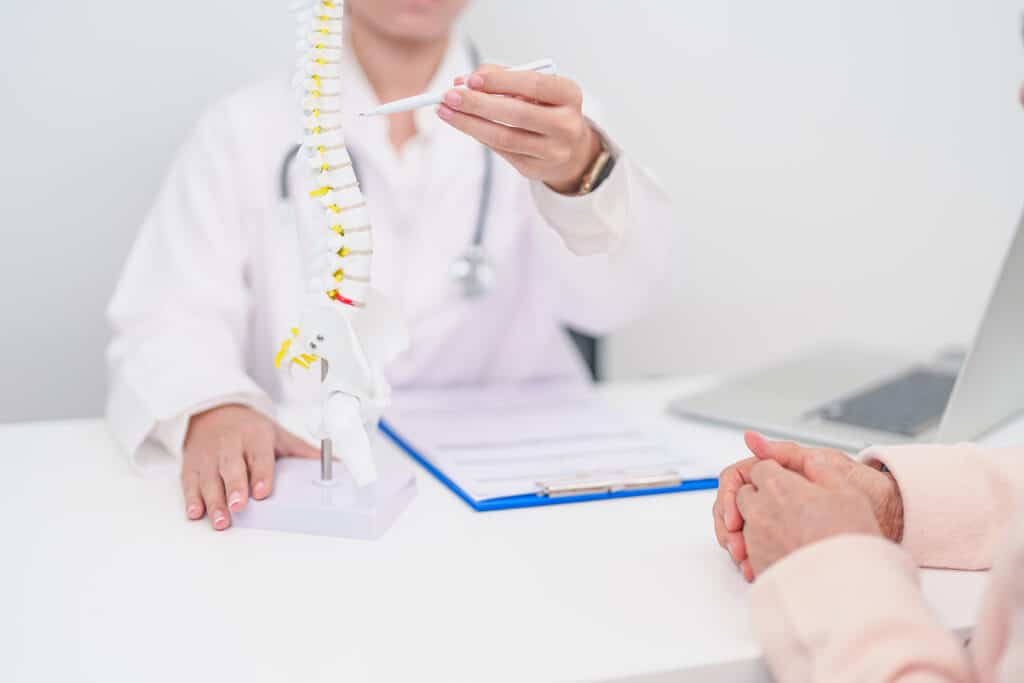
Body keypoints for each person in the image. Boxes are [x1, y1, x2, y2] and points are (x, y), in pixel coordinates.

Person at [106, 1, 675, 530]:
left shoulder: (555, 124)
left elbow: (617, 300)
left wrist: (581, 175)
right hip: (314, 481)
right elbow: (166, 317)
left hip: (518, 490)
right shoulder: (243, 130)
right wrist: (213, 406)